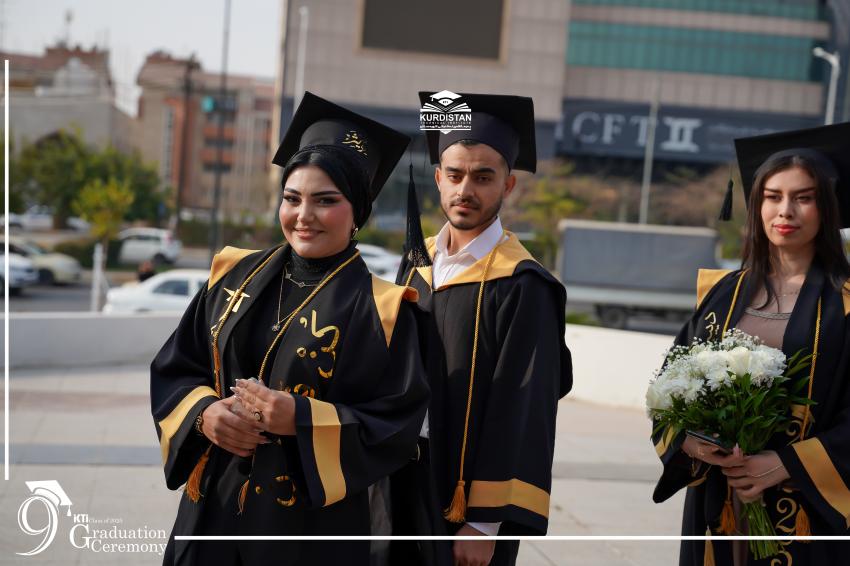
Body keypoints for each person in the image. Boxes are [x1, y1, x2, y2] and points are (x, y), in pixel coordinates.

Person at [150, 92, 430, 566]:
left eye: (326, 201)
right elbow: (177, 367)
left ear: (357, 212)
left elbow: (395, 430)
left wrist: (300, 418)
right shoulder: (232, 275)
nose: (303, 216)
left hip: (309, 532)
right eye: (292, 198)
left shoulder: (386, 310)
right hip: (212, 511)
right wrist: (203, 414)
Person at [652, 121, 850, 565]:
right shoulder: (723, 292)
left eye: (803, 198)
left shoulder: (846, 304)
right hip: (720, 499)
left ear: (828, 207)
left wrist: (785, 464)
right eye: (772, 196)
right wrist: (692, 443)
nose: (785, 211)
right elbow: (669, 387)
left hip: (809, 511)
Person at [391, 92, 573, 566]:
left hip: (465, 501)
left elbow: (525, 408)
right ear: (438, 178)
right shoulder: (417, 262)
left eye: (483, 177)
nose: (465, 190)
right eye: (454, 175)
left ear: (508, 185)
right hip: (400, 480)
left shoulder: (524, 284)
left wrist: (486, 522)